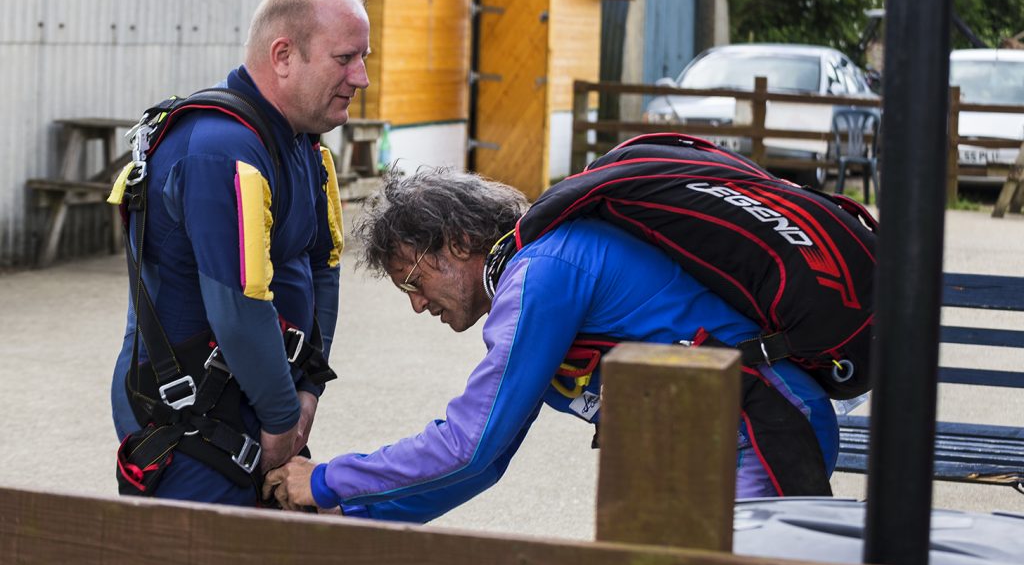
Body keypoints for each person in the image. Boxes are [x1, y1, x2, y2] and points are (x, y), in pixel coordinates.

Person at [262, 168, 839, 520]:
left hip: (757, 431)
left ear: (460, 241)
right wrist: (354, 514)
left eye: (414, 281)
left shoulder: (544, 272)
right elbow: (479, 466)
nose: (416, 304)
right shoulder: (534, 276)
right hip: (695, 449)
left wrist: (326, 479)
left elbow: (469, 444)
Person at [110, 0, 369, 565]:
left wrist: (307, 390)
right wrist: (284, 420)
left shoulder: (306, 149)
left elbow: (324, 267)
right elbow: (238, 305)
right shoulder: (221, 150)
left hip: (264, 414)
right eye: (346, 57)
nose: (361, 77)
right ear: (284, 56)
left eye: (365, 57)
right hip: (195, 430)